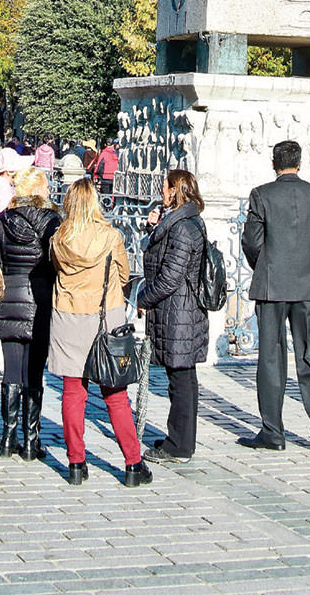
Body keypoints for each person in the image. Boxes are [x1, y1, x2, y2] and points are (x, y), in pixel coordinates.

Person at [48, 177, 150, 486]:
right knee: (115, 393)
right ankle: (133, 462)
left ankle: (76, 463)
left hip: (68, 316)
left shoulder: (59, 238)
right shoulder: (110, 236)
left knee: (73, 391)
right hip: (105, 318)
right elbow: (123, 273)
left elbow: (55, 269)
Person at [239, 139, 310, 454]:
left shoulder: (262, 195)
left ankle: (273, 431)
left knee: (270, 358)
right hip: (306, 285)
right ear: (300, 162)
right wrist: (309, 267)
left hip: (272, 284)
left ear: (274, 163)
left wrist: (266, 266)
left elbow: (252, 241)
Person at [139, 169, 208, 464]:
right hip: (181, 310)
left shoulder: (182, 227)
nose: (162, 192)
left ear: (175, 190)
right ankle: (181, 438)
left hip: (178, 312)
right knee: (183, 376)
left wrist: (143, 298)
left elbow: (170, 277)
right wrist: (152, 227)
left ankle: (179, 445)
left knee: (180, 379)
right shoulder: (184, 221)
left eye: (166, 187)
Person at [0, 166, 59, 460]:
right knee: (35, 371)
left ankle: (8, 437)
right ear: (36, 190)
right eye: (45, 186)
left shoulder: (3, 220)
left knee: (11, 368)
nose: (48, 190)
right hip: (41, 295)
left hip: (9, 293)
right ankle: (32, 440)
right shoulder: (52, 221)